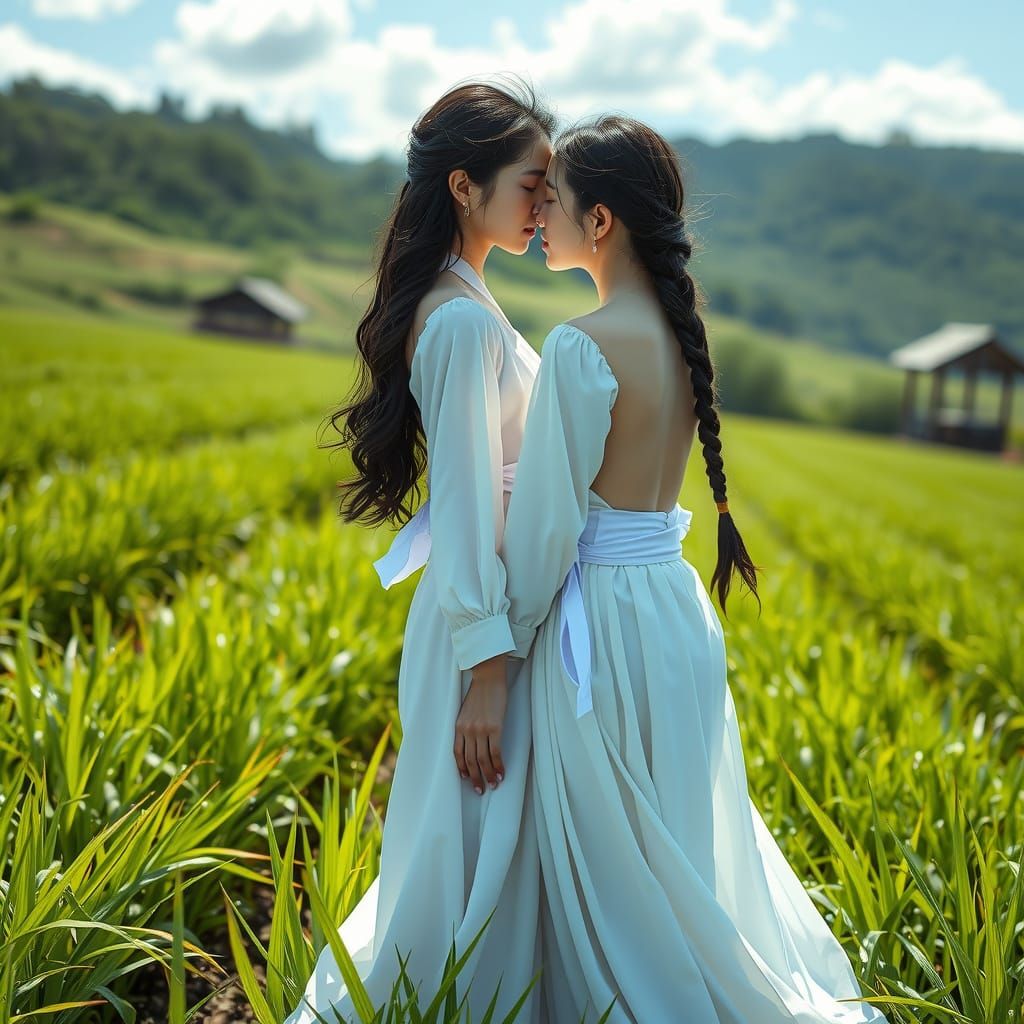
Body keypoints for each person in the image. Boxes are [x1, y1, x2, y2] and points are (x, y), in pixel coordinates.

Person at [499, 115, 890, 1024]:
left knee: (615, 853)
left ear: (600, 223)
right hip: (671, 617)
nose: (538, 216)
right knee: (673, 845)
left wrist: (491, 648)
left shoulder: (581, 344)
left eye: (551, 199)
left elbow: (549, 534)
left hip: (597, 622)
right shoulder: (678, 338)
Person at [283, 78, 554, 1024]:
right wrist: (489, 668)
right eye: (530, 183)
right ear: (464, 189)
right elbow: (471, 501)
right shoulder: (464, 320)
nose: (544, 204)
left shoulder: (468, 300)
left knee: (482, 834)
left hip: (485, 619)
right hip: (475, 631)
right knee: (469, 832)